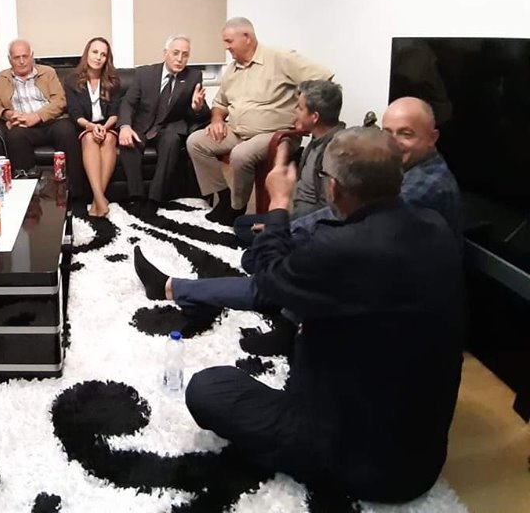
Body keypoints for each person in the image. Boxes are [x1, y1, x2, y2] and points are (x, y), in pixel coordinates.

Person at [185, 127, 466, 503]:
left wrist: (279, 202)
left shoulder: (339, 248)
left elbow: (268, 278)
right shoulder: (436, 227)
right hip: (421, 459)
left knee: (208, 388)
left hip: (357, 459)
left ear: (334, 188)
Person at [186, 17, 333, 225]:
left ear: (247, 37)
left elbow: (324, 79)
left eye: (229, 41)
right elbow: (220, 103)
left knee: (241, 154)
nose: (226, 47)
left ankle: (236, 208)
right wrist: (217, 119)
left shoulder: (280, 58)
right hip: (237, 132)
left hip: (275, 134)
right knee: (195, 142)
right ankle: (224, 198)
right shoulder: (232, 69)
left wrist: (305, 116)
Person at [291, 96, 462, 240]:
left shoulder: (425, 186)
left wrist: (287, 231)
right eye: (387, 132)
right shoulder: (401, 169)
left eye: (406, 134)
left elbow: (352, 217)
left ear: (432, 138)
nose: (392, 142)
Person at [231, 79, 345, 243]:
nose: (295, 111)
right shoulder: (318, 138)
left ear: (314, 117)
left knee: (249, 241)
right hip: (295, 216)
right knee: (241, 223)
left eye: (300, 108)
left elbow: (329, 211)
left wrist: (283, 227)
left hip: (309, 228)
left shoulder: (332, 151)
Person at [117, 35, 208, 215]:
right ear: (165, 53)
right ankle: (136, 197)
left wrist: (197, 108)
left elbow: (202, 113)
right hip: (142, 125)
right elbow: (128, 103)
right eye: (175, 53)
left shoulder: (193, 77)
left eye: (185, 55)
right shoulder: (144, 73)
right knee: (128, 141)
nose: (180, 59)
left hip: (168, 128)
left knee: (172, 140)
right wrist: (125, 126)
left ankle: (154, 199)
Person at [0, 39, 84, 197]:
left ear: (32, 56)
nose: (22, 61)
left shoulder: (48, 72)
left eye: (25, 56)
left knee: (67, 130)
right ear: (9, 59)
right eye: (17, 57)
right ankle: (29, 194)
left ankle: (76, 192)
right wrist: (8, 114)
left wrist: (38, 116)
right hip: (23, 127)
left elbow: (60, 101)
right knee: (15, 136)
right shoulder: (1, 78)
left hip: (51, 122)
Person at [66, 37, 123, 217]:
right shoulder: (72, 80)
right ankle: (100, 199)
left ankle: (96, 201)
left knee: (109, 139)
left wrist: (105, 127)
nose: (98, 57)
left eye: (103, 54)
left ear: (107, 59)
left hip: (107, 124)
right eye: (95, 52)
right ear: (87, 54)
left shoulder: (113, 81)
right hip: (85, 125)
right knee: (90, 138)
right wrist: (90, 126)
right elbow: (74, 113)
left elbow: (115, 112)